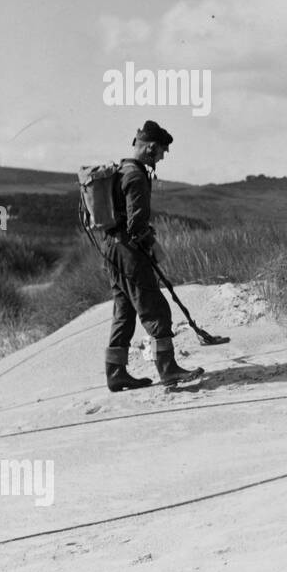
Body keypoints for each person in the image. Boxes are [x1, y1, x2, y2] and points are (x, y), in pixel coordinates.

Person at [102, 121, 203, 390]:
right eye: (161, 152)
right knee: (156, 310)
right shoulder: (135, 176)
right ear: (150, 147)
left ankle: (115, 373)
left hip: (111, 248)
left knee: (124, 312)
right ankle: (168, 369)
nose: (161, 157)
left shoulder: (120, 170)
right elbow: (136, 225)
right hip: (128, 252)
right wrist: (152, 246)